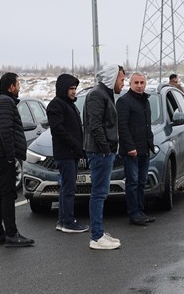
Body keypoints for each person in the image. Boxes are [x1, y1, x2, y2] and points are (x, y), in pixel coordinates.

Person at [0, 72, 33, 247]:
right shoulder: (5, 102)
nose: (19, 87)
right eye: (18, 84)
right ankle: (11, 234)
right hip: (2, 156)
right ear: (11, 87)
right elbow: (5, 130)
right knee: (7, 195)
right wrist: (11, 157)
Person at [83, 64, 125, 250]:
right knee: (98, 194)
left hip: (103, 151)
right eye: (121, 79)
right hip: (99, 152)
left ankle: (99, 231)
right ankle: (96, 237)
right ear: (112, 77)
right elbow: (95, 125)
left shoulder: (105, 94)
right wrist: (106, 149)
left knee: (101, 193)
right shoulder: (97, 95)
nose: (123, 83)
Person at [46, 73, 88, 233]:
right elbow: (58, 130)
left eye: (75, 88)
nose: (74, 91)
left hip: (72, 153)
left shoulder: (68, 104)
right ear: (63, 88)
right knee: (69, 189)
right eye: (71, 88)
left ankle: (63, 220)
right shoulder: (56, 105)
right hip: (65, 154)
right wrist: (75, 145)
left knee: (66, 188)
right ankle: (68, 222)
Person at [117, 72, 156, 227]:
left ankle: (140, 211)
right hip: (131, 151)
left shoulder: (145, 101)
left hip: (144, 148)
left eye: (142, 83)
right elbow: (122, 127)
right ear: (130, 84)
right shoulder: (124, 101)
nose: (139, 86)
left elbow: (147, 125)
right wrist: (130, 147)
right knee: (132, 182)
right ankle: (133, 214)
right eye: (136, 83)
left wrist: (150, 143)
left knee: (141, 182)